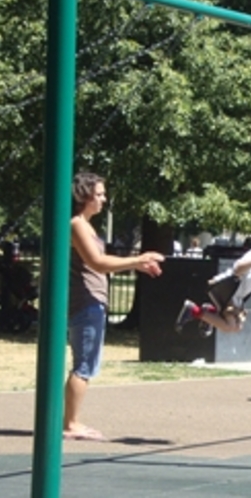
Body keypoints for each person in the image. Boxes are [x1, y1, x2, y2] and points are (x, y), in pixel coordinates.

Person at [66, 172, 165, 441]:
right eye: (98, 194)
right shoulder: (77, 225)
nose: (103, 199)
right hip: (85, 302)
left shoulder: (86, 226)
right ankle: (71, 424)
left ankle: (71, 421)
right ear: (84, 197)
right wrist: (137, 260)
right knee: (84, 365)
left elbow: (102, 263)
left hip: (92, 301)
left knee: (86, 364)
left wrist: (138, 265)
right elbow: (97, 263)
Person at [175, 235, 251, 336]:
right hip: (227, 289)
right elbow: (238, 269)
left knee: (237, 326)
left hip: (236, 295)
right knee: (230, 326)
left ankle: (210, 311)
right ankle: (194, 310)